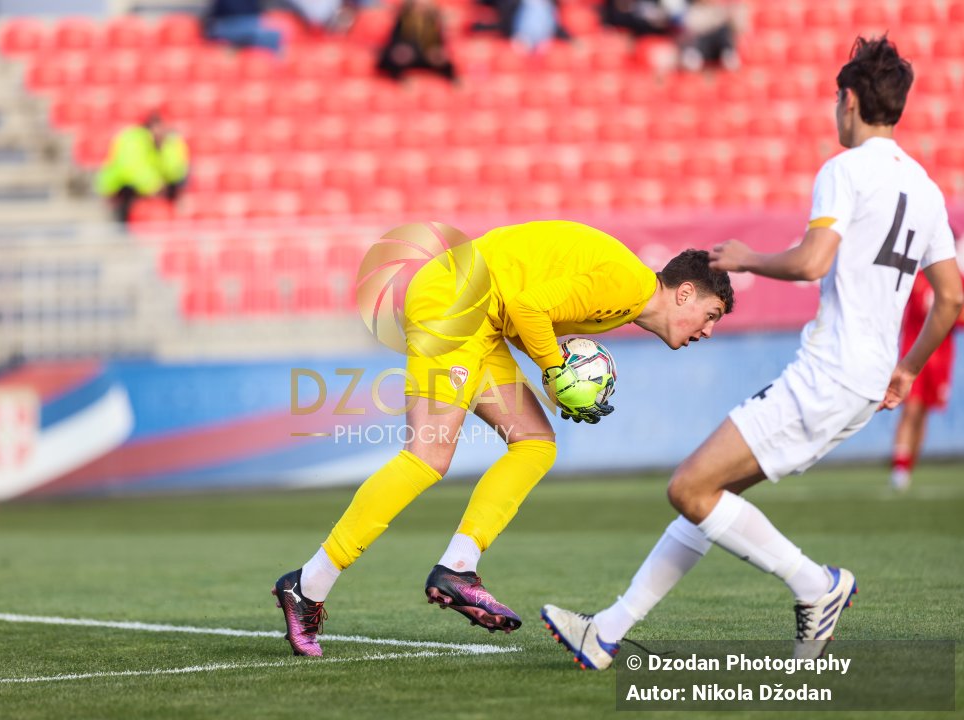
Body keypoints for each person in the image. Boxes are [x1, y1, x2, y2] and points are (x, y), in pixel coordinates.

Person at [542, 35, 964, 670]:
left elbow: (814, 260)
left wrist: (748, 260)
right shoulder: (926, 191)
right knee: (713, 494)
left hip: (830, 375)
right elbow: (952, 300)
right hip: (865, 382)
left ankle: (816, 585)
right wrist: (905, 369)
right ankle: (605, 633)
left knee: (689, 487)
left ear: (848, 101)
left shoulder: (844, 171)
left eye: (835, 100)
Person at [273, 220, 735, 657]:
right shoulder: (628, 286)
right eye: (710, 315)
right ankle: (308, 585)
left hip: (481, 317)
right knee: (427, 457)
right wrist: (556, 370)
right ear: (686, 292)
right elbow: (526, 307)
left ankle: (457, 567)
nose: (708, 331)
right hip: (455, 304)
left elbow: (520, 308)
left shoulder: (628, 299)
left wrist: (556, 374)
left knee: (535, 442)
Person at [889, 236, 964, 490]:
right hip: (914, 354)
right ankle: (899, 469)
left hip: (941, 358)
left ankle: (909, 468)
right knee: (910, 408)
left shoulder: (957, 280)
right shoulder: (916, 277)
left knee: (923, 415)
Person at [96, 113, 189, 225]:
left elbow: (176, 171)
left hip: (144, 188)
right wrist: (154, 185)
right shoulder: (133, 139)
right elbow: (131, 167)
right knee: (120, 220)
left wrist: (168, 147)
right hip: (120, 188)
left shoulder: (167, 142)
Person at [377, 0, 457, 82]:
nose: (420, 8)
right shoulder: (402, 20)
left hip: (426, 56)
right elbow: (394, 41)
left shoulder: (433, 22)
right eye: (417, 5)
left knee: (444, 61)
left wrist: (437, 52)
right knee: (395, 57)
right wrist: (401, 50)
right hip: (407, 54)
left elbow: (439, 43)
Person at [204, 0, 283, 52]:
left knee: (272, 35)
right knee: (267, 35)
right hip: (228, 27)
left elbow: (258, 15)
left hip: (249, 27)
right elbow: (211, 20)